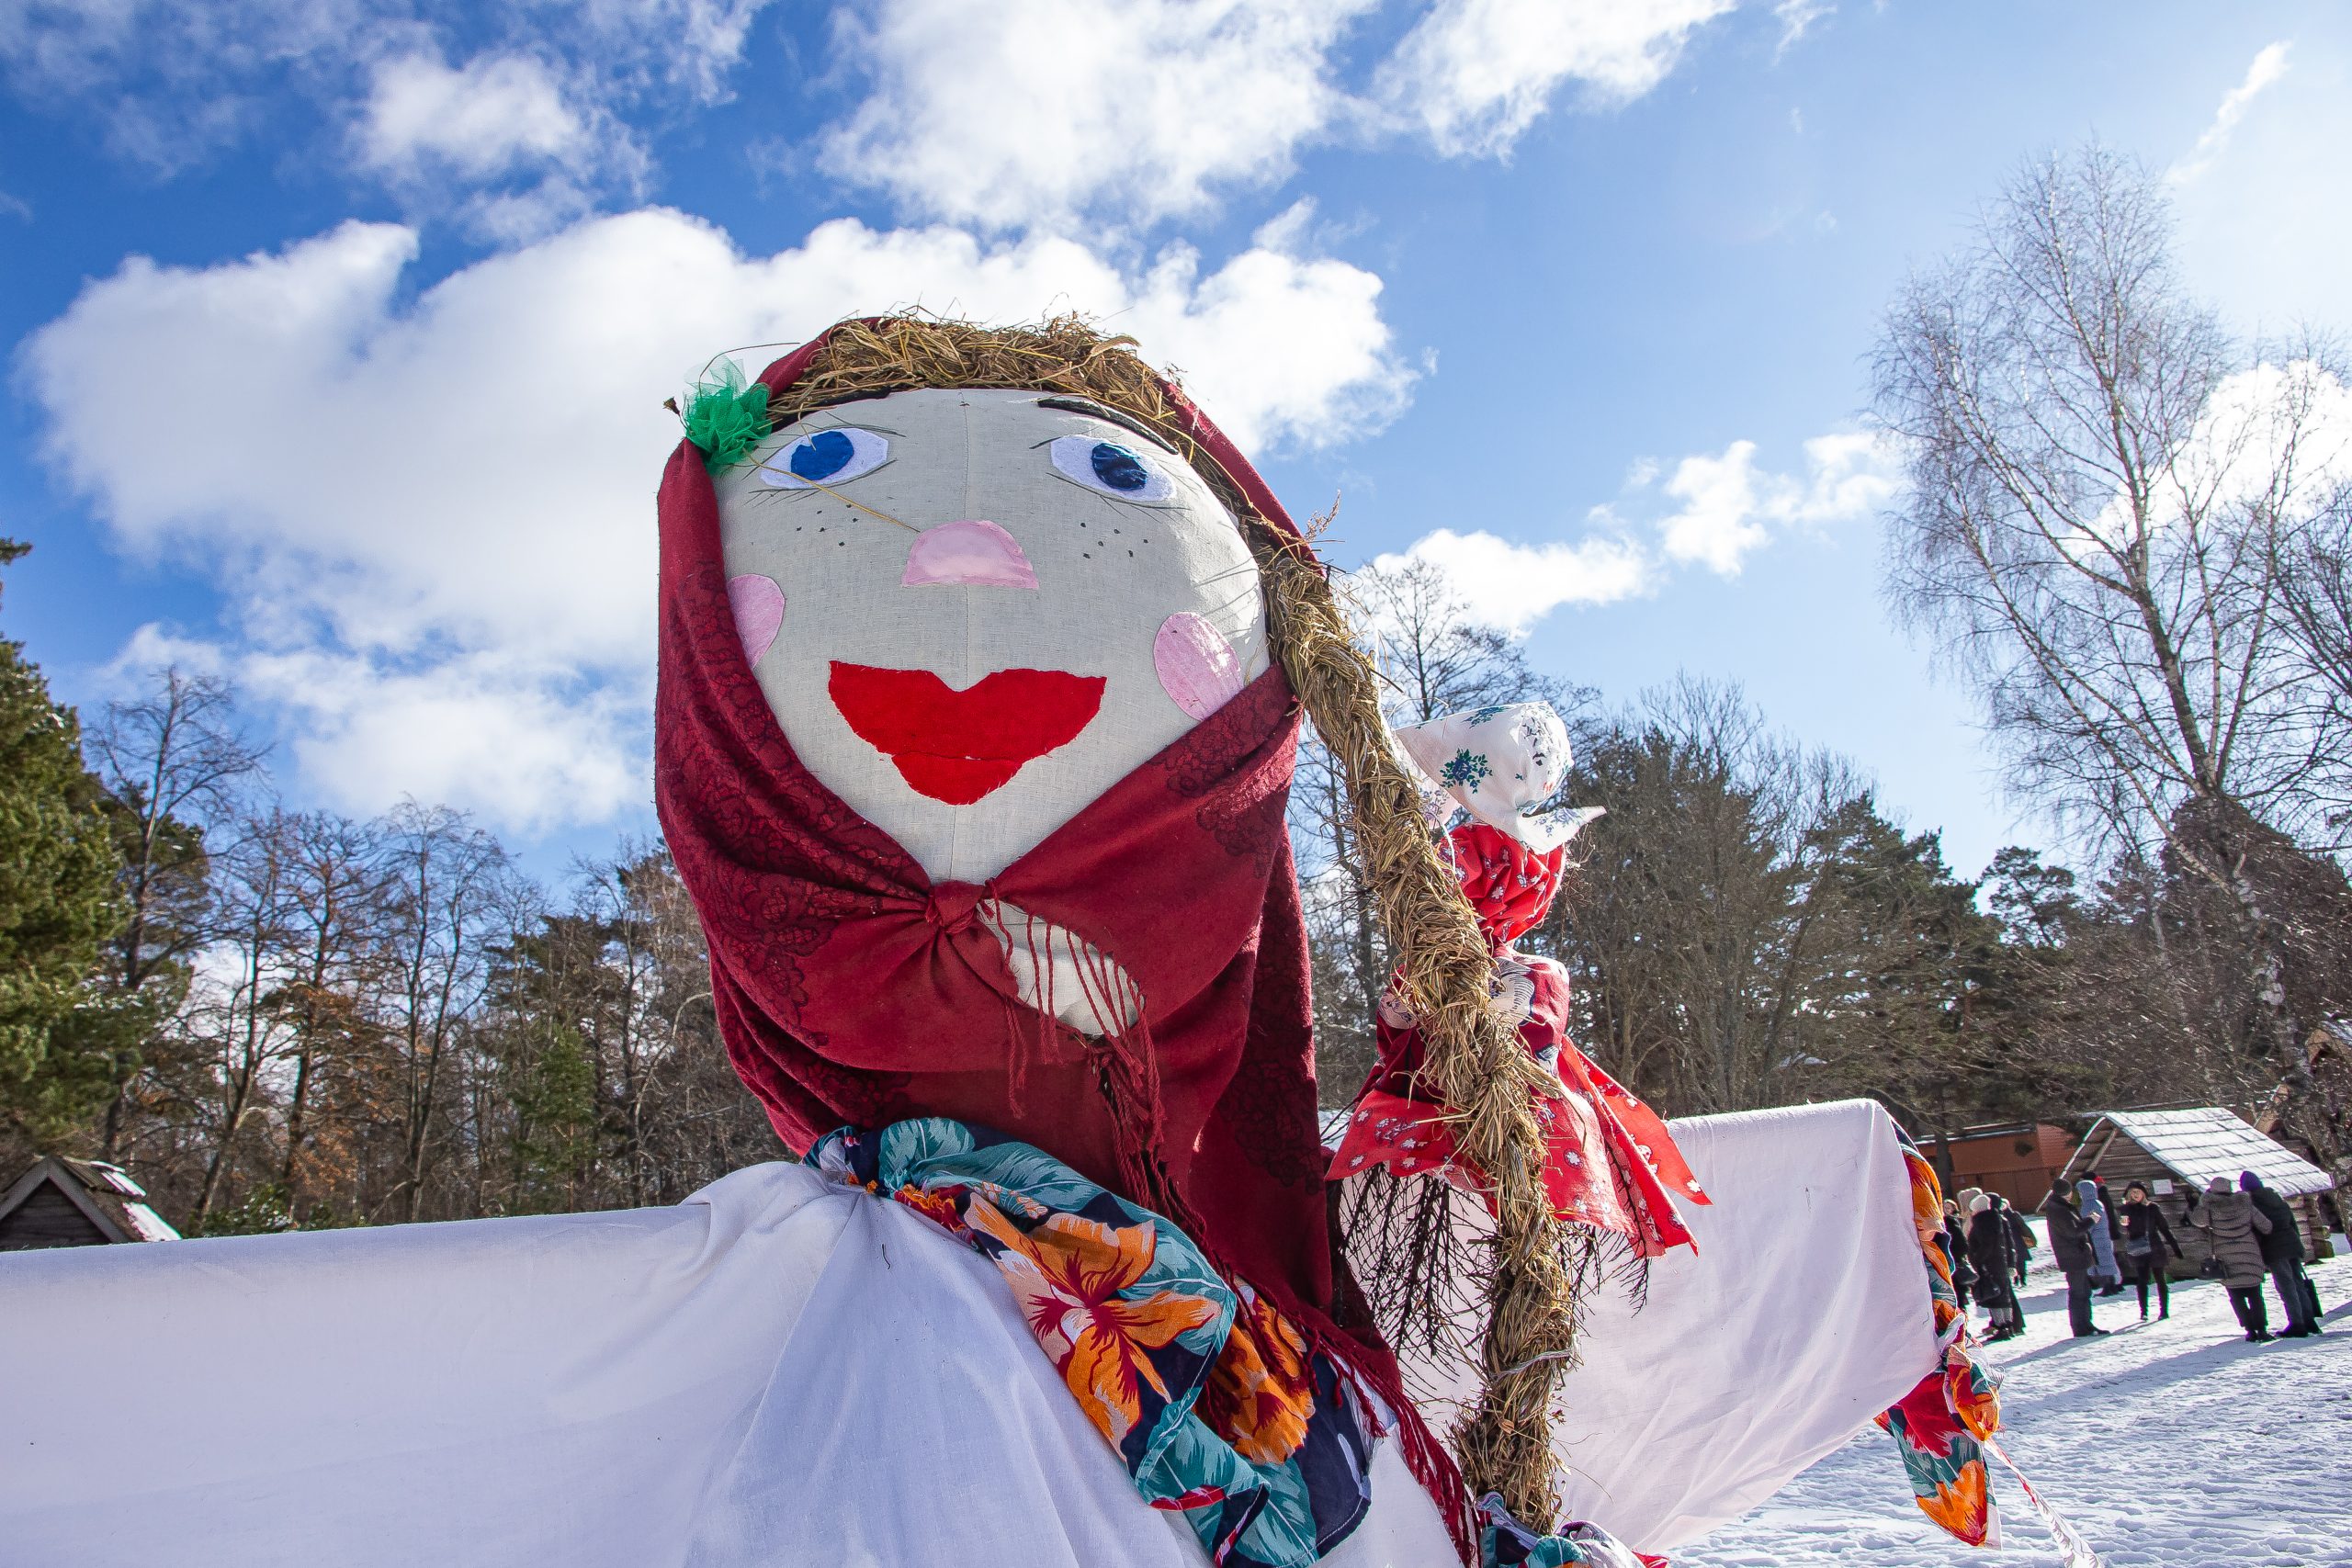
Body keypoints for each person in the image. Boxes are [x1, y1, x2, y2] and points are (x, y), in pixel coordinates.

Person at [2193, 1174, 2273, 1342]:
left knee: (2236, 1296)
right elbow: (2266, 1226)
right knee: (2255, 1296)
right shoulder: (2244, 1203)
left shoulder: (2209, 1206)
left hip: (2226, 1259)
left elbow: (2198, 1221)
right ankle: (2262, 1330)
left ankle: (2250, 1330)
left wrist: (2203, 1201)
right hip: (2249, 1255)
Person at [2242, 1171, 2320, 1338]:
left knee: (2286, 1287)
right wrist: (2298, 1245)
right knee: (2298, 1283)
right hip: (2292, 1245)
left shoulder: (2253, 1204)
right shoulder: (2278, 1199)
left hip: (2275, 1249)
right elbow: (2293, 1224)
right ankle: (2309, 1321)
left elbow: (2258, 1229)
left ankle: (2297, 1324)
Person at [2040, 1178, 2108, 1337]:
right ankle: (2081, 1327)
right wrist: (2091, 1220)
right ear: (2067, 1192)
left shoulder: (2059, 1207)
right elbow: (2073, 1231)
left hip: (2074, 1255)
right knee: (2079, 1293)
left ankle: (2086, 1324)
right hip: (2072, 1256)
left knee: (2084, 1291)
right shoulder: (2059, 1209)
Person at [2117, 1182, 2177, 1320]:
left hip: (2155, 1247)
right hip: (2138, 1249)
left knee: (2160, 1279)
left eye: (2138, 1192)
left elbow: (2164, 1228)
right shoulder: (2126, 1209)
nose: (2136, 1195)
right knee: (2142, 1280)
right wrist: (2124, 1213)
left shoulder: (2152, 1208)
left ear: (2144, 1193)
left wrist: (2175, 1246)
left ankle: (2164, 1311)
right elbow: (2123, 1227)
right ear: (2128, 1194)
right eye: (2133, 1192)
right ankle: (2144, 1311)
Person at [1966, 1193, 2023, 1340]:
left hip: (1989, 1265)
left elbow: (1985, 1244)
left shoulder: (1982, 1221)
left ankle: (2001, 1327)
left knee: (1994, 1296)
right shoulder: (1996, 1218)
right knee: (2004, 1295)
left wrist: (1978, 1259)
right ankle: (2008, 1326)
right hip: (2000, 1263)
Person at [2076, 1178, 2124, 1295]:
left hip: (2096, 1238)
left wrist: (2081, 1232)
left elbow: (2090, 1222)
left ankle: (2107, 1287)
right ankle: (2112, 1286)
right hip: (2103, 1236)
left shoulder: (2089, 1205)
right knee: (2107, 1261)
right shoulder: (2098, 1203)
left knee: (2101, 1262)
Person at [2088, 1171, 2128, 1296]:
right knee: (2108, 1258)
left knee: (2104, 1259)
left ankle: (2110, 1285)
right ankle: (2115, 1283)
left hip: (2102, 1232)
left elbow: (2098, 1216)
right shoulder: (2102, 1194)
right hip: (2107, 1231)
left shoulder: (2098, 1197)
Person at [1941, 1198, 1977, 1309]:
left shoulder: (1950, 1223)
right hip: (1950, 1264)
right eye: (1944, 1207)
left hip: (1952, 1265)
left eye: (1948, 1207)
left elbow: (1963, 1245)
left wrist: (1954, 1257)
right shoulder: (1949, 1223)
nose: (1945, 1210)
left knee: (1956, 1299)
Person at [1996, 1192, 2034, 1288]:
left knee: (2013, 1261)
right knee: (2021, 1261)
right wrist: (2029, 1238)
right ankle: (2022, 1279)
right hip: (2018, 1241)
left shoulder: (1999, 1216)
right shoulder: (2014, 1215)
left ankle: (2016, 1279)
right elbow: (2023, 1227)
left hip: (2008, 1242)